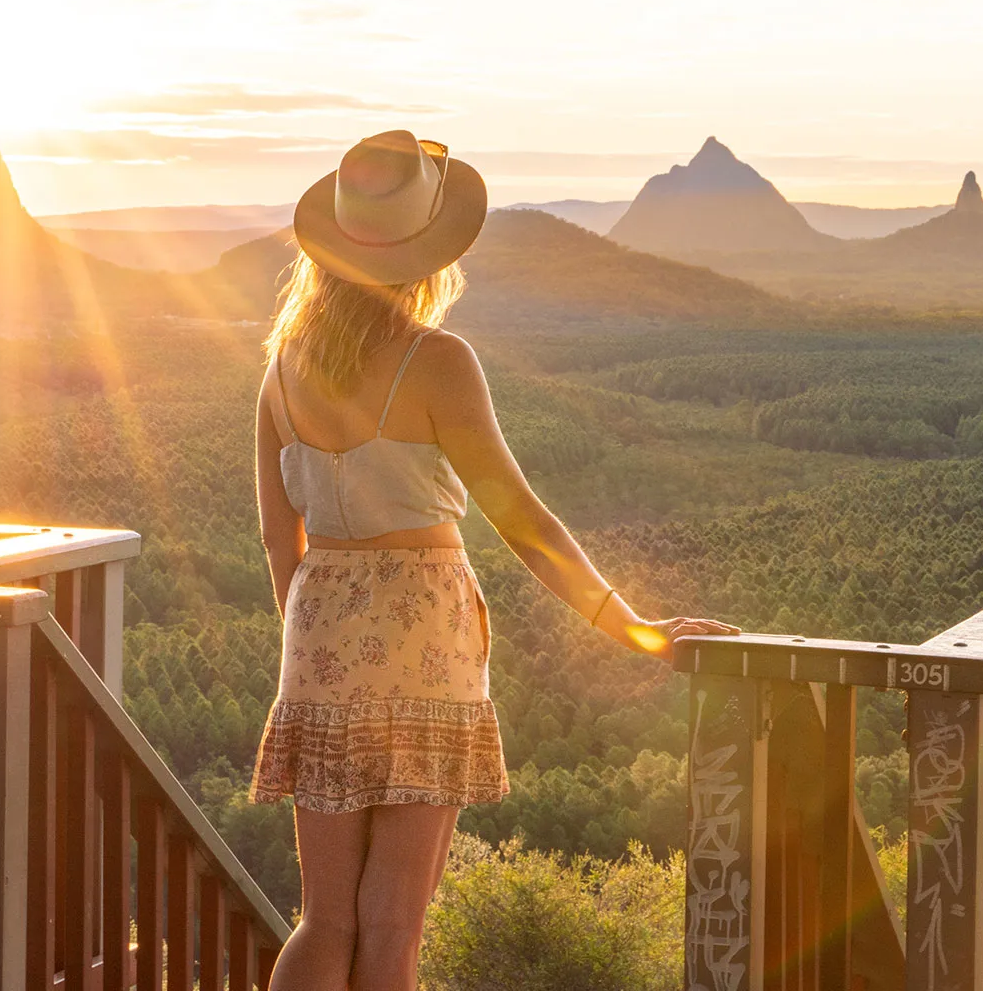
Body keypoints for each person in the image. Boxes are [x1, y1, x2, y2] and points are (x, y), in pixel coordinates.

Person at [248, 130, 741, 990]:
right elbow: (524, 520)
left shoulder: (282, 370)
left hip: (318, 632)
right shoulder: (437, 362)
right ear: (425, 258)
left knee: (324, 919)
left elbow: (274, 536)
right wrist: (629, 628)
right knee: (392, 925)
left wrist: (314, 638)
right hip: (423, 636)